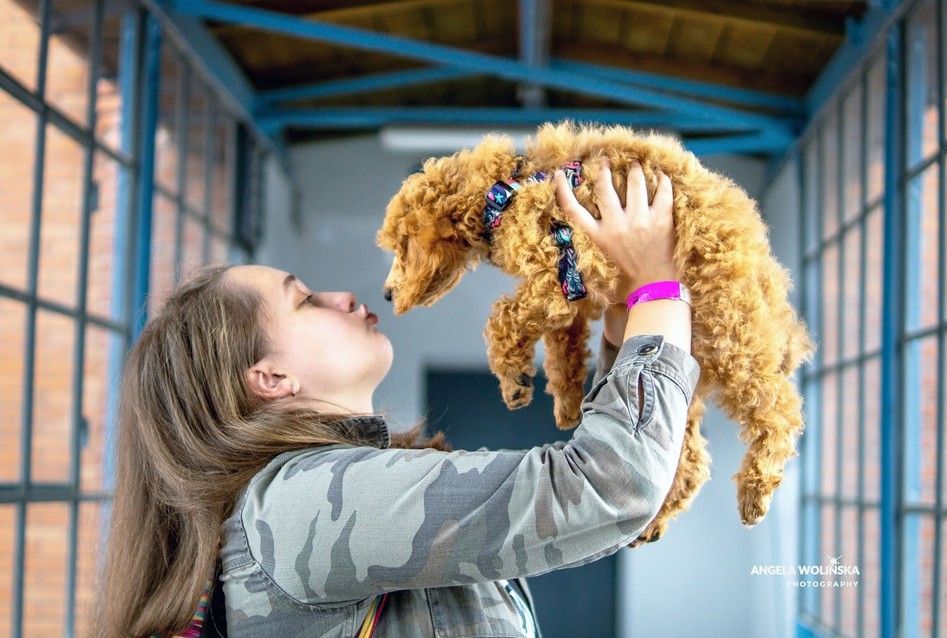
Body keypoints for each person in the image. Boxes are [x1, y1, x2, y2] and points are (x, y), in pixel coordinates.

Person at [97, 158, 699, 637]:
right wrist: (659, 288)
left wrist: (628, 311)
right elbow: (605, 488)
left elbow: (609, 492)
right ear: (271, 378)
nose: (345, 298)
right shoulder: (300, 503)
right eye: (304, 300)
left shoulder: (310, 500)